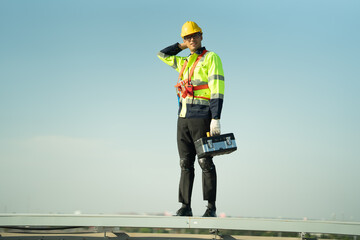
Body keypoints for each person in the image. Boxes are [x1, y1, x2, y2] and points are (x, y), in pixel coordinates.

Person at [157, 21, 225, 217]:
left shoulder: (211, 58)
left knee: (205, 162)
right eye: (187, 37)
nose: (191, 39)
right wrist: (181, 46)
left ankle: (210, 208)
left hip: (202, 117)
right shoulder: (183, 61)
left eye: (194, 36)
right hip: (183, 119)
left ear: (201, 36)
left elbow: (217, 89)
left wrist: (216, 117)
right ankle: (185, 206)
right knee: (185, 163)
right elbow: (161, 54)